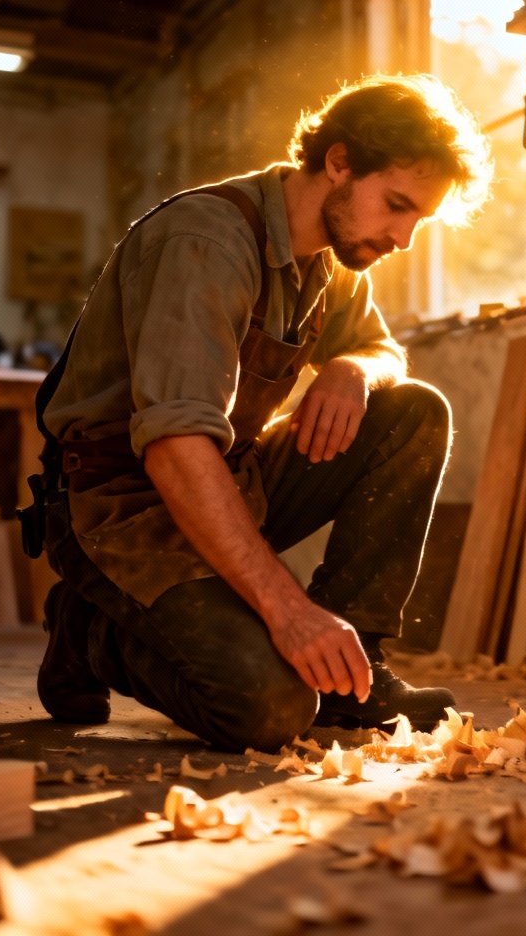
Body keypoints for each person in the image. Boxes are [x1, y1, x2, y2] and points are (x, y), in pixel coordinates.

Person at [26, 74, 493, 753]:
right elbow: (175, 447)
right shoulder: (206, 242)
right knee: (267, 709)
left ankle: (351, 671)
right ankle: (89, 632)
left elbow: (381, 347)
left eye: (417, 218)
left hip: (226, 481)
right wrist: (288, 611)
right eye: (396, 206)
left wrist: (352, 368)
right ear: (338, 162)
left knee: (412, 412)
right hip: (119, 506)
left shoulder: (330, 263)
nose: (403, 238)